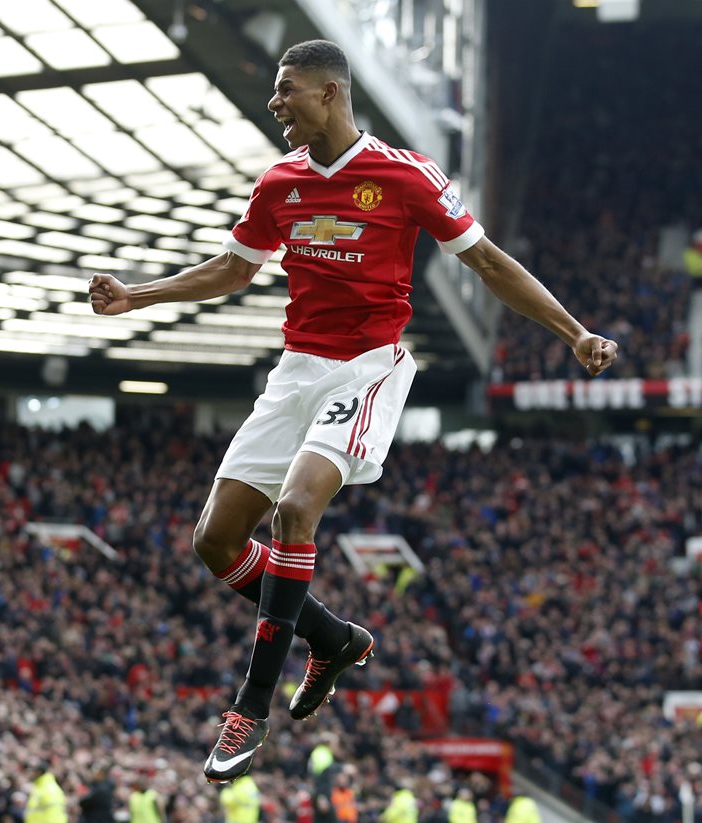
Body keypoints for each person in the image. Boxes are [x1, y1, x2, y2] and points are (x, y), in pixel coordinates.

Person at [87, 38, 619, 782]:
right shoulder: (278, 184)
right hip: (296, 370)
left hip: (367, 368)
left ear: (330, 93)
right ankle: (334, 636)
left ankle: (252, 705)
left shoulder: (404, 176)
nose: (276, 102)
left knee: (296, 510)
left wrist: (575, 332)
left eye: (287, 88)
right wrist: (137, 294)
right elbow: (234, 270)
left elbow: (489, 261)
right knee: (214, 541)